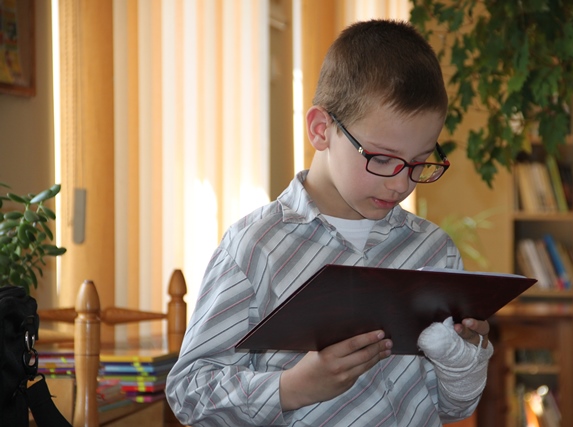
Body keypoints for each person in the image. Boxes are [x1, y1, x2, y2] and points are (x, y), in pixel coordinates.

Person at [166, 19, 493, 427]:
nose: (400, 183)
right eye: (382, 159)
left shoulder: (433, 251)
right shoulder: (254, 246)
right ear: (322, 130)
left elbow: (455, 407)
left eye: (419, 162)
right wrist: (293, 387)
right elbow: (190, 392)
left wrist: (463, 360)